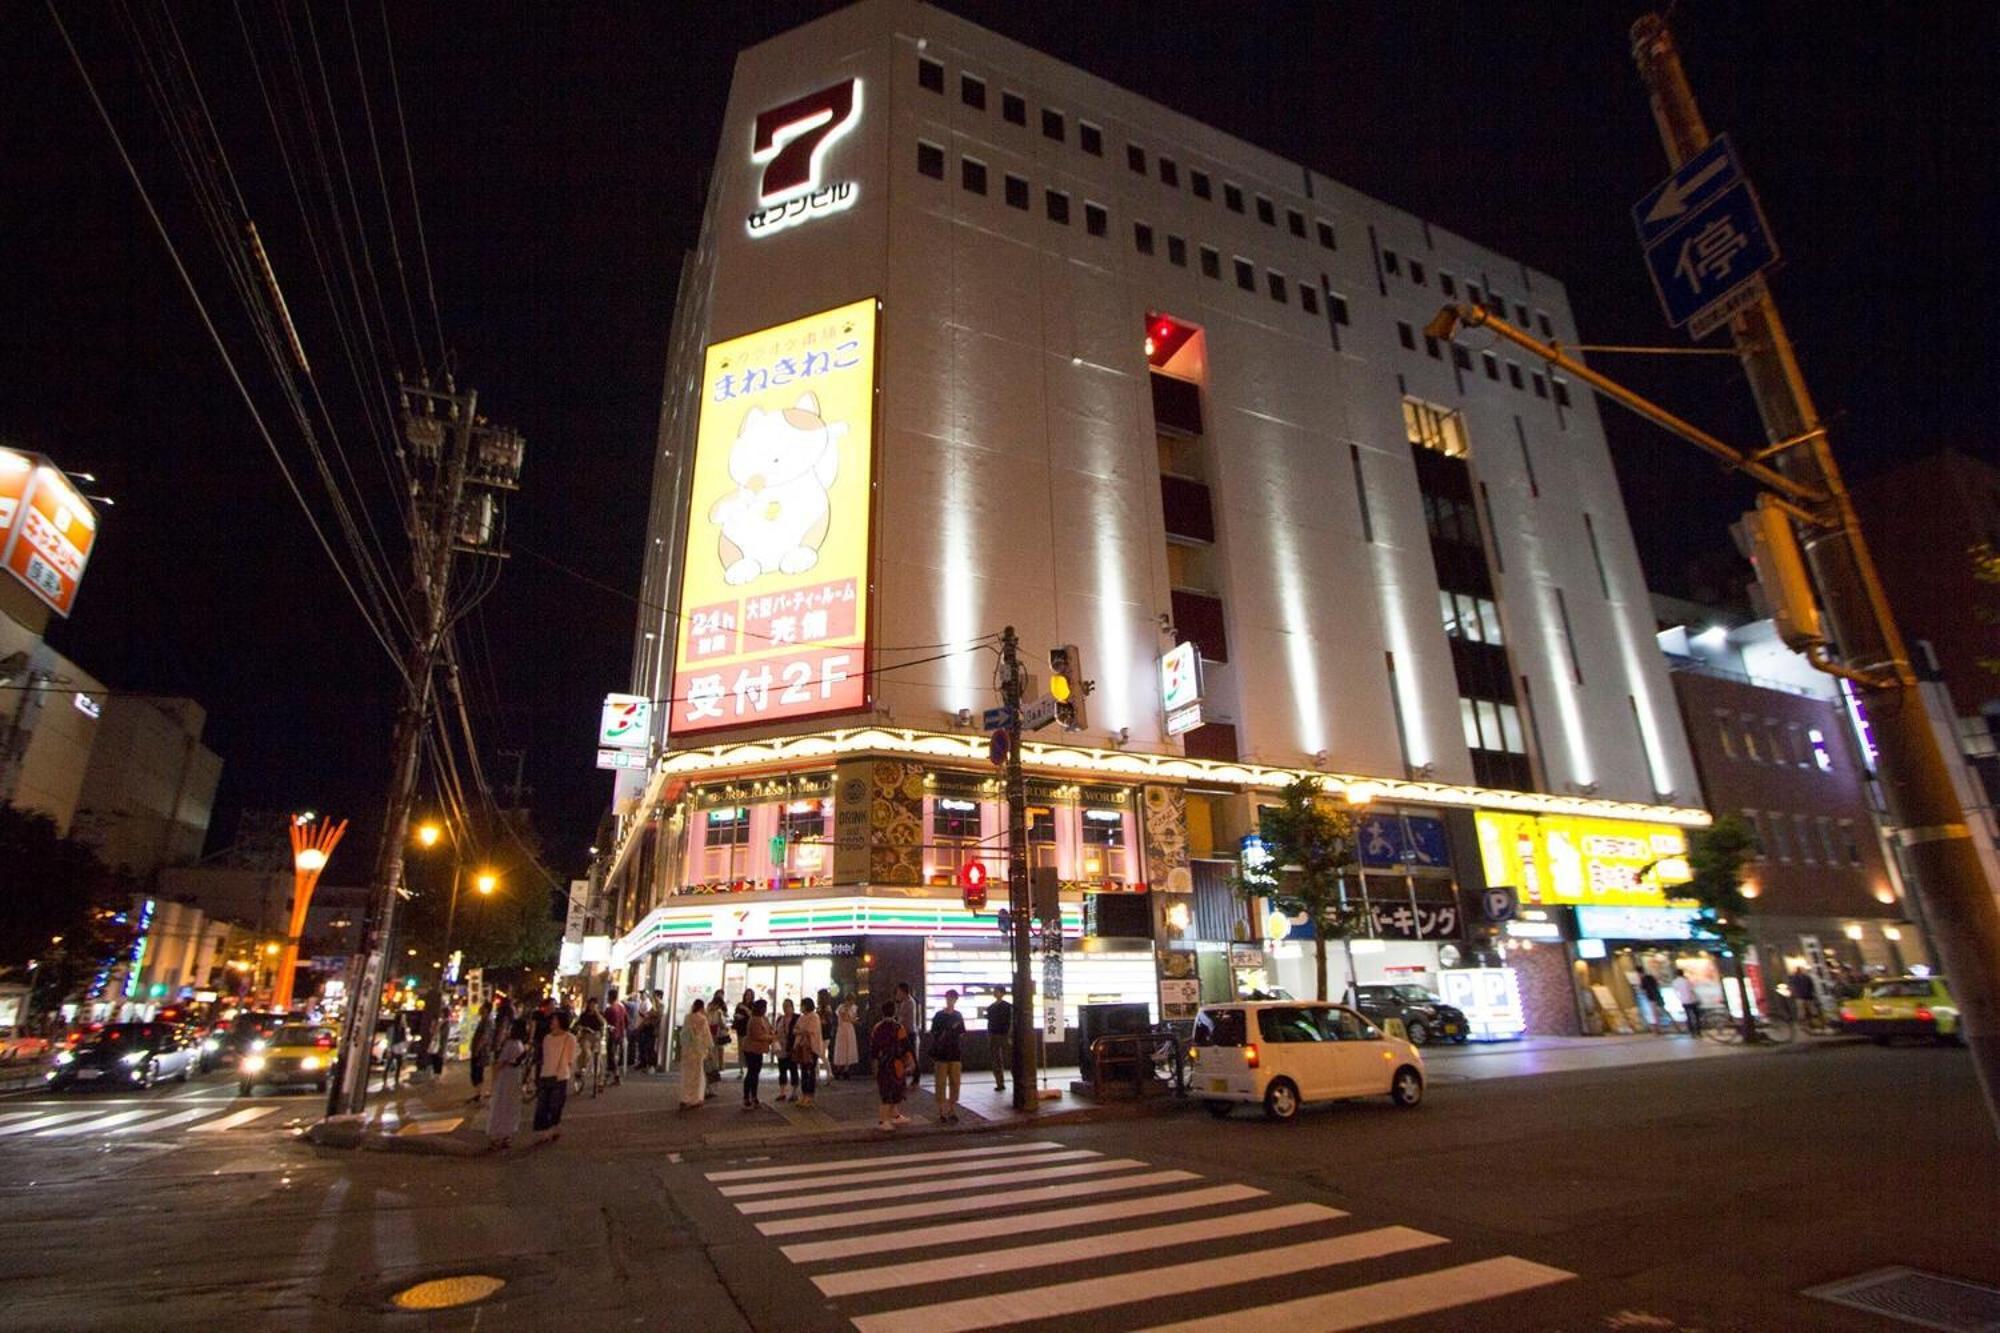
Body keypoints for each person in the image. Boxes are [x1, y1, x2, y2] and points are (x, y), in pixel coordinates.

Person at [533, 1012, 579, 1142]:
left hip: (560, 1076)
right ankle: (548, 1130)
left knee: (555, 1105)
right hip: (547, 1074)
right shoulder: (547, 1038)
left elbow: (570, 1058)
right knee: (543, 1106)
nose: (552, 1022)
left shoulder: (569, 1038)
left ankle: (552, 1129)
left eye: (554, 1019)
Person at [486, 1019, 529, 1149]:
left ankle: (499, 1135)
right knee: (508, 1105)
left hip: (508, 1076)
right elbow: (503, 1063)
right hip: (511, 1076)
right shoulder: (516, 1044)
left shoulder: (512, 1044)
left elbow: (500, 1063)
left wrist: (493, 1081)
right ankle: (504, 1135)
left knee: (503, 1104)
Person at [929, 989, 967, 1124]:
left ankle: (951, 1109)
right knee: (940, 1083)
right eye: (948, 998)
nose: (949, 1000)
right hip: (942, 1054)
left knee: (954, 1082)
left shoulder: (958, 1015)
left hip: (955, 1053)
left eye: (952, 998)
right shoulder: (939, 1015)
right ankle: (942, 1111)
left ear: (955, 1000)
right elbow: (934, 1033)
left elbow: (961, 1032)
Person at [871, 1000, 910, 1130]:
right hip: (896, 1063)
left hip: (883, 1063)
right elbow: (905, 1047)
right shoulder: (899, 1027)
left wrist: (875, 1064)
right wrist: (909, 1062)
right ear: (895, 1012)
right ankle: (884, 1120)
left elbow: (874, 1049)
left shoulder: (877, 1027)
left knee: (886, 1090)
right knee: (895, 1089)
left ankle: (894, 1116)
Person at [678, 998, 712, 1110]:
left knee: (686, 1075)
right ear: (702, 1007)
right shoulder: (703, 1019)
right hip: (698, 1050)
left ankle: (685, 1098)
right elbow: (707, 1036)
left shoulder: (687, 1018)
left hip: (688, 1050)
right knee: (698, 1075)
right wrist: (708, 1049)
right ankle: (696, 1099)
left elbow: (683, 1034)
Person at [741, 998, 775, 1111]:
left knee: (755, 1073)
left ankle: (754, 1096)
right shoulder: (754, 1019)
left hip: (758, 1050)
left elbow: (769, 1028)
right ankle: (747, 1097)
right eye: (764, 1007)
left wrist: (772, 1032)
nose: (765, 1009)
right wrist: (771, 1037)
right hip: (751, 1049)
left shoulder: (763, 1018)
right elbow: (757, 1035)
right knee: (752, 1073)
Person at [794, 997, 825, 1108]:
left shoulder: (814, 1017)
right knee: (803, 1071)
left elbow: (810, 1030)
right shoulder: (802, 1017)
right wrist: (801, 1031)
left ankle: (810, 1095)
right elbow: (796, 1029)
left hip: (811, 1048)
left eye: (802, 1005)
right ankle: (803, 1094)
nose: (801, 1007)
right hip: (802, 1047)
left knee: (810, 1071)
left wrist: (801, 1031)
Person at [575, 997, 606, 1096]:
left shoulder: (599, 1014)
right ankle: (582, 1069)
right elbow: (578, 1024)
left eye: (594, 1005)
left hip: (597, 1037)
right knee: (586, 1051)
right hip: (586, 1036)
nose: (592, 1006)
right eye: (591, 1004)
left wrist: (597, 1013)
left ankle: (600, 1081)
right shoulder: (584, 1015)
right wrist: (581, 1028)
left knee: (599, 1059)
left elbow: (603, 1023)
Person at [986, 988, 1014, 1091]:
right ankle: (999, 1083)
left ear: (1002, 993)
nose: (994, 992)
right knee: (996, 1060)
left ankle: (1016, 1081)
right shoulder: (991, 1007)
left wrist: (1009, 1035)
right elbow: (989, 1022)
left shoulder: (1007, 1006)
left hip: (1004, 1035)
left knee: (1010, 1059)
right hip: (994, 1035)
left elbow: (1011, 1021)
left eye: (997, 991)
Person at [894, 982, 920, 1090]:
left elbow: (900, 1017)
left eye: (899, 991)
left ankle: (916, 1078)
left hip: (909, 1032)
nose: (897, 994)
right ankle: (906, 1077)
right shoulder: (906, 1001)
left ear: (903, 991)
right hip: (906, 1032)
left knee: (912, 1056)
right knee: (907, 1056)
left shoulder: (909, 1002)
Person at [774, 998, 799, 1102]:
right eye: (784, 1006)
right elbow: (776, 1031)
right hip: (781, 1048)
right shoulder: (780, 1019)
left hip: (792, 1048)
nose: (785, 1008)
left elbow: (799, 1031)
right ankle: (782, 1092)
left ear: (792, 1007)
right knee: (782, 1070)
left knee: (793, 1069)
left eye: (787, 1006)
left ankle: (794, 1092)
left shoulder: (797, 1018)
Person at [468, 1002, 493, 1104]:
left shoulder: (487, 1022)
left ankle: (479, 1094)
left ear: (486, 1009)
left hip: (481, 1052)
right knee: (476, 1072)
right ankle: (478, 1093)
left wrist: (477, 1049)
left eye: (482, 1007)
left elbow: (484, 1037)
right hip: (478, 1050)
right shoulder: (483, 1021)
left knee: (477, 1071)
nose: (480, 1008)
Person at [705, 992, 728, 1095]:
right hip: (713, 1039)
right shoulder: (718, 1012)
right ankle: (711, 1088)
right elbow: (722, 1025)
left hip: (708, 1039)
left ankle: (708, 1088)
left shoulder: (707, 1011)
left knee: (708, 1064)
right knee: (712, 1065)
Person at [605, 990, 628, 1085]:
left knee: (611, 1055)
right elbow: (626, 1021)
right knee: (616, 1055)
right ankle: (611, 1075)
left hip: (612, 1035)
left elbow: (605, 1022)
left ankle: (615, 1075)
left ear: (610, 997)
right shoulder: (622, 1008)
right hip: (621, 1034)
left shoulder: (610, 1009)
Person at [834, 995, 860, 1078]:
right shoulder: (841, 1007)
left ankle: (846, 1069)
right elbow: (844, 1017)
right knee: (841, 1048)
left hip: (849, 1029)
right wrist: (852, 1019)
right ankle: (838, 1069)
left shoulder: (854, 1007)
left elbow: (853, 1017)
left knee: (849, 1048)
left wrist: (853, 1019)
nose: (851, 1003)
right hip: (842, 1028)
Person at [1673, 970, 1702, 1037]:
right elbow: (1692, 990)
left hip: (1684, 1001)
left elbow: (1676, 993)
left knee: (1688, 1016)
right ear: (1682, 973)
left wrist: (1680, 999)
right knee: (1696, 1016)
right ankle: (1698, 1031)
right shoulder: (1686, 981)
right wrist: (1697, 998)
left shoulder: (1675, 982)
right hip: (1692, 1000)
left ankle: (1692, 1032)